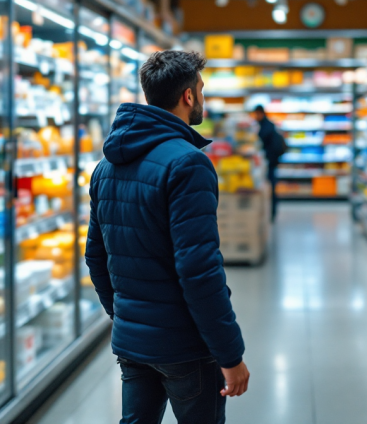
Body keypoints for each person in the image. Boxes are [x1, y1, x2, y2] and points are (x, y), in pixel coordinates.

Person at [85, 51, 249, 424]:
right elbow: (199, 270)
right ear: (188, 96)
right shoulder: (188, 163)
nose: (202, 98)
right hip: (184, 345)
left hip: (132, 342)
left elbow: (96, 256)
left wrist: (126, 317)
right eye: (201, 90)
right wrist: (230, 355)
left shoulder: (105, 167)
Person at [252, 104, 285, 221]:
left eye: (256, 114)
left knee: (271, 186)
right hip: (271, 161)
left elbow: (261, 141)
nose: (255, 116)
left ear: (260, 113)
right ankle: (271, 211)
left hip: (269, 162)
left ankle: (272, 212)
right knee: (270, 186)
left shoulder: (265, 126)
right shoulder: (268, 124)